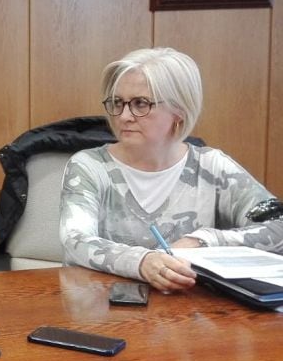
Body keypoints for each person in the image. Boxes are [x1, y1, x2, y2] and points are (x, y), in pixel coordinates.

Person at [60, 47, 283, 292]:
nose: (124, 116)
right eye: (117, 103)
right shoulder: (89, 166)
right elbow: (76, 240)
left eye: (140, 104)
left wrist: (202, 241)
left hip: (190, 314)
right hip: (105, 311)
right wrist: (143, 262)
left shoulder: (212, 167)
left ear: (179, 110)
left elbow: (278, 226)